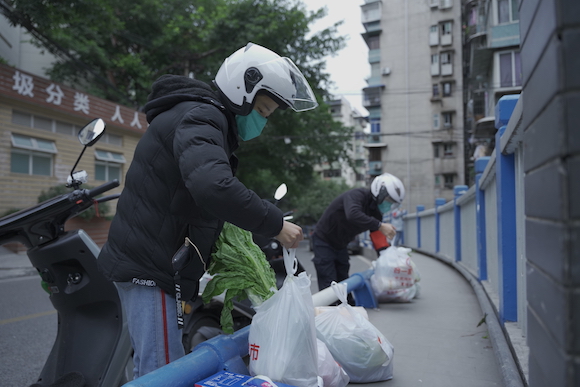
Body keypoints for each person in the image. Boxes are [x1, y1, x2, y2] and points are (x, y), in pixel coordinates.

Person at [97, 42, 318, 378]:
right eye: (264, 110)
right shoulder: (202, 116)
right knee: (161, 372)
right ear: (243, 92)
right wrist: (275, 224)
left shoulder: (201, 118)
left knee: (156, 365)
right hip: (151, 266)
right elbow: (212, 186)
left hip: (153, 261)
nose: (263, 121)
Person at [311, 173, 405, 292]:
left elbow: (379, 241)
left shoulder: (376, 213)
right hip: (324, 240)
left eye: (393, 203)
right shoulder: (357, 195)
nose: (389, 205)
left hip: (341, 244)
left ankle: (346, 307)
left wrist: (390, 262)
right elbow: (353, 214)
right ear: (380, 193)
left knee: (343, 279)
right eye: (388, 200)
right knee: (328, 281)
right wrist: (380, 225)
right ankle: (328, 310)